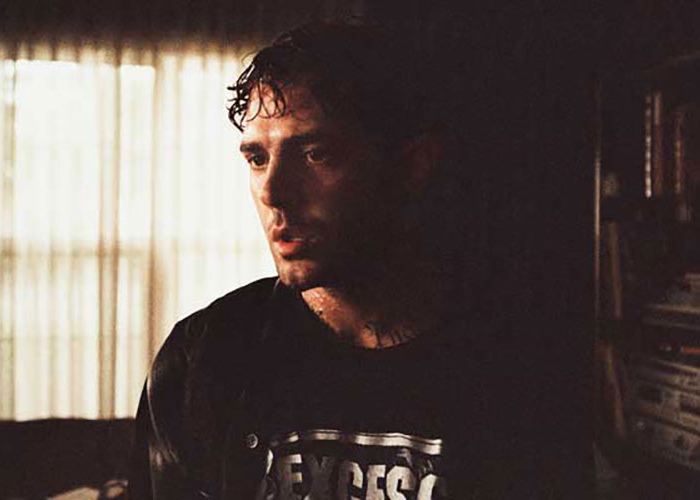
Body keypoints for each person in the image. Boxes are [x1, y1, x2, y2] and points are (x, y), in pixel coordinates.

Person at [130, 21, 591, 500]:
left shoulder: (518, 369)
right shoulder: (204, 359)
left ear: (411, 166)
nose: (273, 192)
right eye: (257, 159)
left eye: (315, 153)